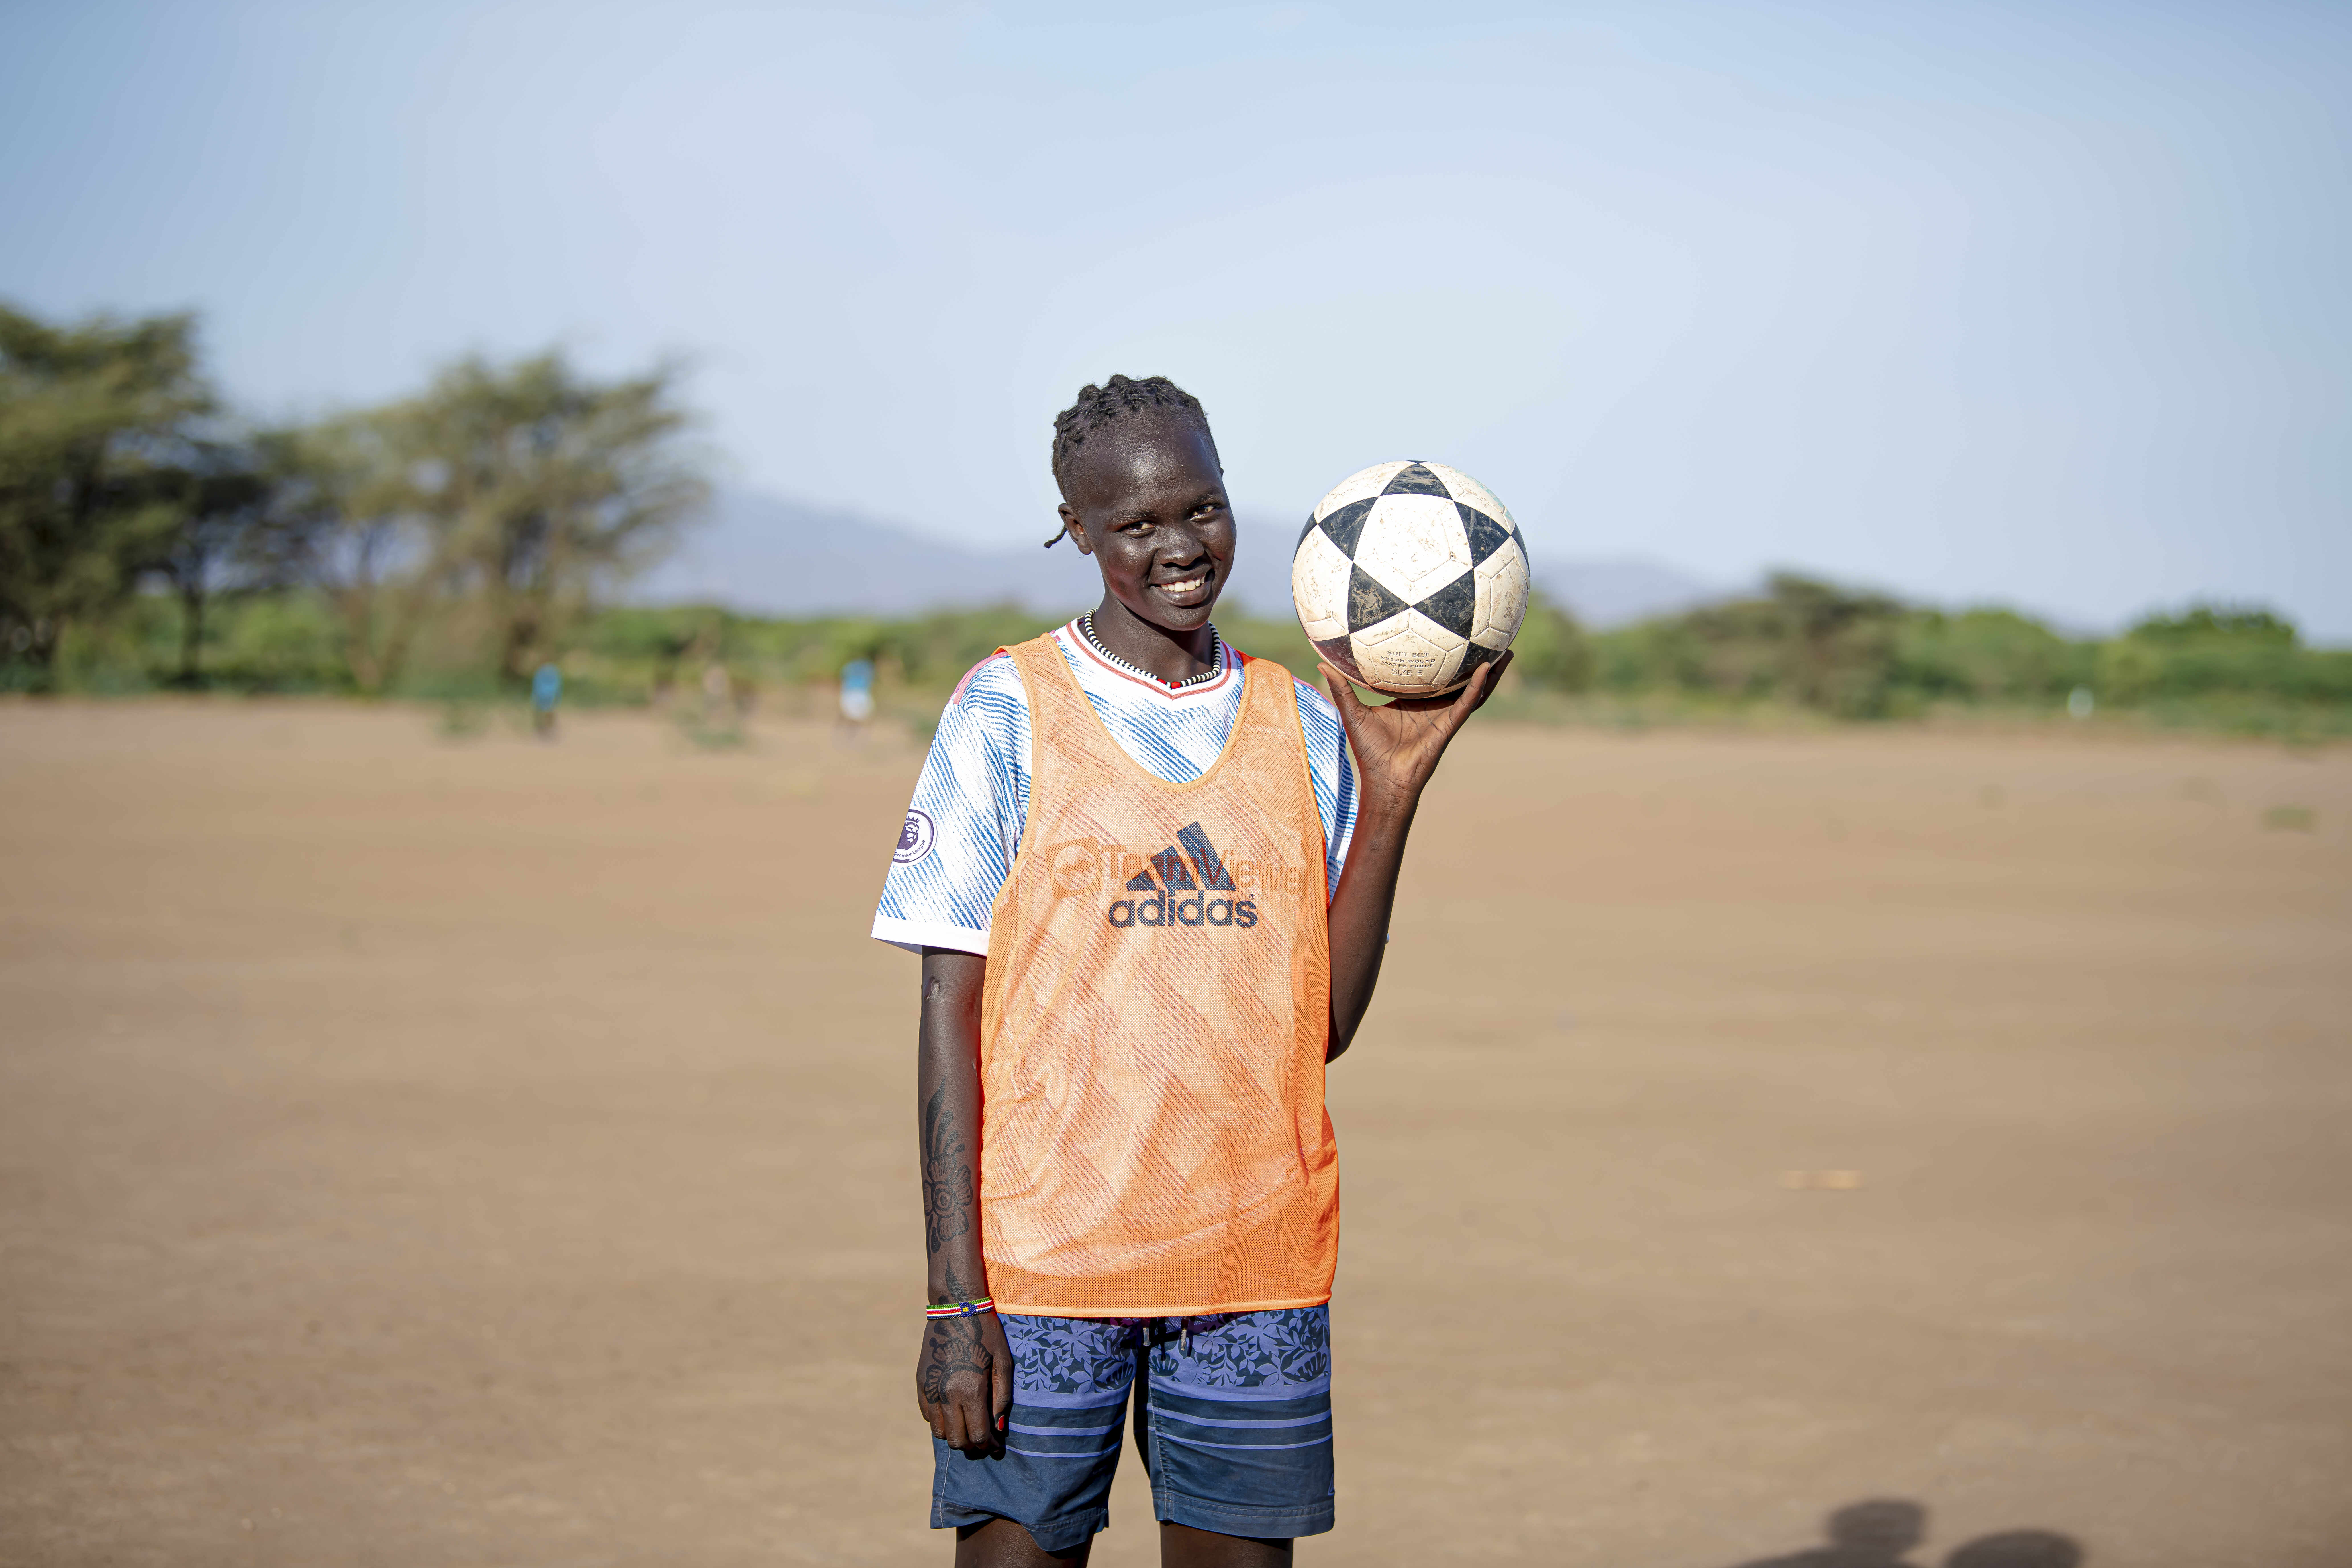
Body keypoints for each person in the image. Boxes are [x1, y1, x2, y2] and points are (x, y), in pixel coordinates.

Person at [872, 374, 1507, 1567]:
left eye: (1201, 509)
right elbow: (944, 1011)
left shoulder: (1303, 724)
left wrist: (1393, 798)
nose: (1179, 546)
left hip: (1255, 1265)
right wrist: (956, 1299)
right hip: (1045, 1271)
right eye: (1136, 525)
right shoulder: (1006, 710)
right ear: (1079, 532)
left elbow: (1320, 1027)